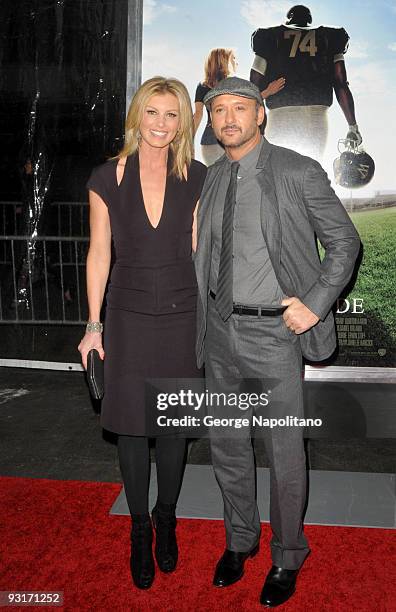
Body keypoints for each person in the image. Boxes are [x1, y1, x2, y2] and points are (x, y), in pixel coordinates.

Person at [194, 76, 360, 607]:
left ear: (260, 114)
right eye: (219, 110)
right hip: (220, 331)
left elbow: (344, 242)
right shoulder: (213, 177)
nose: (228, 118)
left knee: (285, 452)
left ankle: (288, 554)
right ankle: (240, 541)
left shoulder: (296, 170)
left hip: (274, 334)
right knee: (227, 445)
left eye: (239, 107)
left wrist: (313, 302)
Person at [78, 76, 206, 590]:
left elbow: (202, 248)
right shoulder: (106, 177)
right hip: (127, 315)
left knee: (173, 425)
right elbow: (99, 253)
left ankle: (167, 517)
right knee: (132, 425)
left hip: (183, 311)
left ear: (183, 122)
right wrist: (93, 326)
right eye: (152, 112)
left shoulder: (198, 176)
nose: (161, 123)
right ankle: (138, 528)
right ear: (137, 116)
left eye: (171, 114)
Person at [250, 4, 362, 161]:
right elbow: (340, 83)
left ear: (288, 19)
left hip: (281, 114)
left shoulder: (270, 37)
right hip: (315, 116)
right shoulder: (329, 37)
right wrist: (353, 126)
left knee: (278, 176)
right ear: (310, 21)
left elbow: (252, 86)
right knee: (310, 175)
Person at [194, 48, 284, 166]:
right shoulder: (234, 84)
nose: (236, 62)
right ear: (224, 61)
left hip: (208, 144)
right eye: (233, 59)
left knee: (218, 181)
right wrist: (269, 91)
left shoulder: (202, 86)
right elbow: (248, 102)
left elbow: (198, 115)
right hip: (230, 138)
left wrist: (187, 142)